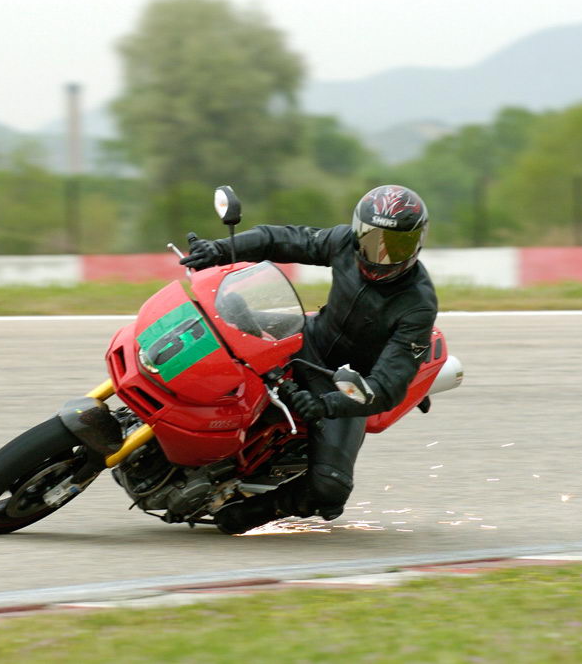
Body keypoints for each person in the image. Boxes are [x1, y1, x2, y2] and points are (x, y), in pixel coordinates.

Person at [180, 184, 438, 534]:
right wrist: (220, 250)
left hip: (344, 383)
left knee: (330, 489)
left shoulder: (418, 304)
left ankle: (255, 510)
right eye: (372, 241)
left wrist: (326, 404)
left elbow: (387, 386)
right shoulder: (344, 242)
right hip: (306, 340)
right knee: (222, 317)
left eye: (397, 246)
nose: (381, 255)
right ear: (357, 232)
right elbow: (283, 239)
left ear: (417, 244)